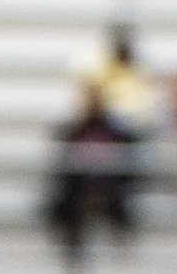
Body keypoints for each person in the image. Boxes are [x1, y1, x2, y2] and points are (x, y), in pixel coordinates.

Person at [46, 79, 138, 262]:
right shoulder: (72, 131)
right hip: (80, 187)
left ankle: (120, 238)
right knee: (63, 205)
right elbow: (62, 166)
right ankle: (73, 249)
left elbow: (129, 162)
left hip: (110, 187)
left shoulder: (118, 132)